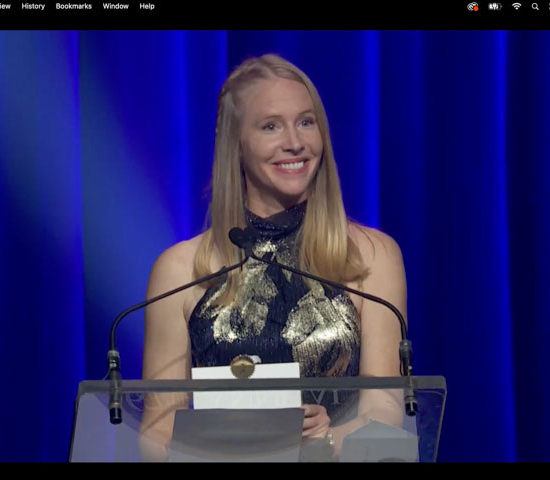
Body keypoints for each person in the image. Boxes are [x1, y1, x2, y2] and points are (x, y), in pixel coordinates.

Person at [139, 54, 408, 460]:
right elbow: (157, 428)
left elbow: (385, 408)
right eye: (270, 126)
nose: (295, 142)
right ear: (236, 143)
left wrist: (329, 440)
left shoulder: (372, 257)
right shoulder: (180, 269)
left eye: (306, 121)